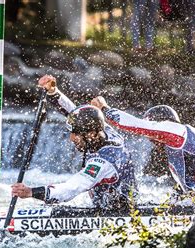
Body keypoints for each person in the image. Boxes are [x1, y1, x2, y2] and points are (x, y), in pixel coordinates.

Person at [11, 76, 137, 213]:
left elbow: (72, 188)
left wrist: (31, 192)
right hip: (106, 205)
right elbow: (75, 113)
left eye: (75, 134)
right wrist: (53, 92)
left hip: (119, 212)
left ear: (91, 134)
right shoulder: (103, 131)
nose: (71, 138)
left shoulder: (103, 162)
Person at [90, 97, 195, 206]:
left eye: (151, 134)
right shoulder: (178, 150)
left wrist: (104, 109)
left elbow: (136, 125)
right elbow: (185, 194)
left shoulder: (180, 132)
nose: (150, 140)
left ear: (162, 124)